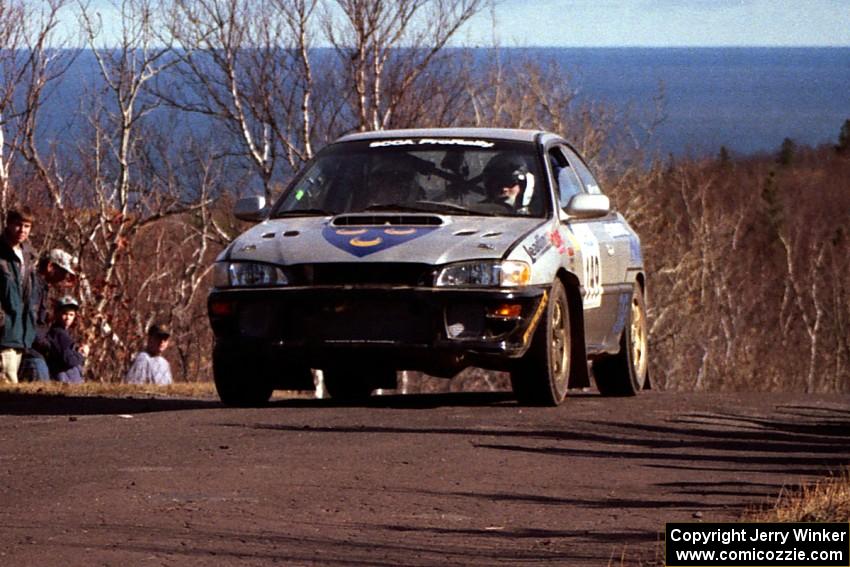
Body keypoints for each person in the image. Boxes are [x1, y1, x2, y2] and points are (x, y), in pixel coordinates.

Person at [21, 248, 78, 382]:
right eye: (62, 271)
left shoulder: (42, 287)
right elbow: (30, 320)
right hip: (30, 351)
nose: (64, 277)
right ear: (50, 266)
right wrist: (45, 344)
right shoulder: (34, 286)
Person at [0, 206, 38, 384]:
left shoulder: (28, 255)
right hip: (3, 329)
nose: (22, 230)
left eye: (27, 226)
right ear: (8, 224)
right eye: (18, 225)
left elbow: (29, 295)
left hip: (20, 331)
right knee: (8, 380)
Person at [44, 296, 88, 384]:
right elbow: (69, 360)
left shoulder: (62, 333)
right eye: (64, 313)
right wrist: (81, 354)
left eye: (71, 314)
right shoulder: (59, 334)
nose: (68, 317)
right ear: (57, 314)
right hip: (65, 379)